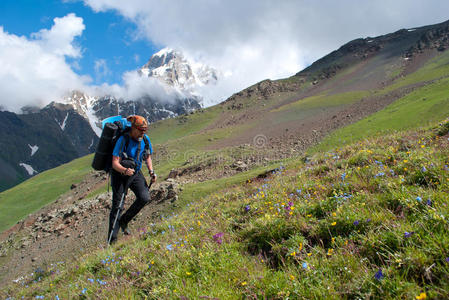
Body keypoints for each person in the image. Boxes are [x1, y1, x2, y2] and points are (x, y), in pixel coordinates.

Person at [108, 115, 157, 244]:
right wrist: (124, 171)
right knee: (118, 206)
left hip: (135, 173)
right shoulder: (123, 140)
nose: (143, 132)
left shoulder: (145, 140)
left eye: (145, 130)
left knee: (144, 197)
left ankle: (124, 221)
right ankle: (111, 241)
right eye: (140, 130)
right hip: (120, 174)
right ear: (133, 128)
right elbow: (114, 163)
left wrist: (151, 171)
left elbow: (147, 156)